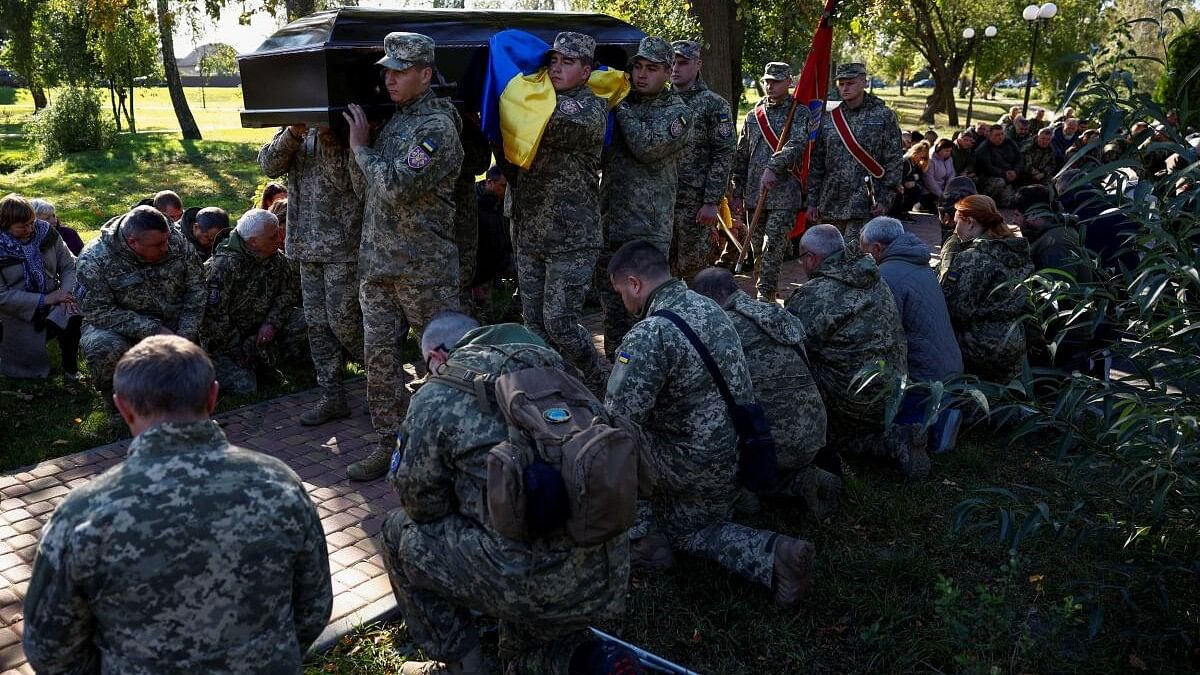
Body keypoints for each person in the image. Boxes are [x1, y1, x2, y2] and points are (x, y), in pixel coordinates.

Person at [23, 335, 332, 673]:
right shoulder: (281, 484)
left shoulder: (83, 514)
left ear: (123, 407)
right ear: (213, 396)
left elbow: (49, 650)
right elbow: (313, 608)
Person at [381, 312, 636, 675]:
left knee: (395, 531)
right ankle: (593, 663)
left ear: (437, 357)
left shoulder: (438, 393)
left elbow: (421, 506)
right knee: (520, 657)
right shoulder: (557, 370)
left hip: (526, 578)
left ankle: (461, 664)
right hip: (605, 569)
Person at [604, 241, 816, 607]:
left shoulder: (648, 334)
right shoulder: (712, 307)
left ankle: (643, 537)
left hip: (694, 468)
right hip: (740, 453)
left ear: (635, 284)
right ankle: (752, 519)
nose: (623, 301)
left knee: (612, 447)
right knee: (693, 515)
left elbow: (618, 421)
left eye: (621, 291)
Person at [343, 32, 464, 480]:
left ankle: (455, 446)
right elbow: (369, 190)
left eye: (400, 71)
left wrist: (360, 148)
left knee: (444, 362)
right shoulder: (397, 122)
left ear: (426, 74)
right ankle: (389, 443)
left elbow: (395, 186)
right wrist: (359, 147)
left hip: (422, 268)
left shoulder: (436, 127)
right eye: (387, 71)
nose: (389, 79)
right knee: (378, 362)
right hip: (379, 266)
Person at [505, 31, 611, 396]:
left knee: (561, 321)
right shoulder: (532, 97)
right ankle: (555, 386)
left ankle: (599, 383)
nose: (557, 69)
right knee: (534, 323)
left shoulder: (590, 107)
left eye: (568, 63)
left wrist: (513, 96)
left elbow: (543, 120)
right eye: (553, 61)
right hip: (530, 231)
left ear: (585, 71)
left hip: (572, 236)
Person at [690, 267, 840, 519]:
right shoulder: (773, 312)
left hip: (771, 445)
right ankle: (802, 478)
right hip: (817, 434)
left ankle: (747, 491)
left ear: (707, 298)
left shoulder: (722, 328)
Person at [785, 225, 928, 478]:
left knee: (789, 369)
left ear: (811, 258)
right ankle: (896, 436)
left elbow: (793, 346)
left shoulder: (815, 294)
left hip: (855, 400)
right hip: (895, 389)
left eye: (802, 259)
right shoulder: (873, 277)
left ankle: (892, 442)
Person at [258, 113, 365, 430]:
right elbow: (269, 165)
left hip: (340, 245)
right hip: (304, 244)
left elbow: (345, 180)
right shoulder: (296, 128)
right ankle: (332, 395)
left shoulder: (344, 127)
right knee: (316, 323)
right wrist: (293, 133)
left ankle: (384, 384)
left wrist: (329, 135)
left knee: (345, 321)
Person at [597, 36, 691, 359]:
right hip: (611, 222)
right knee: (613, 311)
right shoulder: (623, 104)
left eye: (651, 68)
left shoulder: (678, 113)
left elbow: (647, 147)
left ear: (668, 72)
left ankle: (647, 377)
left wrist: (619, 103)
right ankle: (616, 374)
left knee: (644, 315)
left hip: (647, 229)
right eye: (637, 66)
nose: (641, 75)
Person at [76, 206, 205, 423]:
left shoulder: (175, 240)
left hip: (172, 320)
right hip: (117, 325)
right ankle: (119, 404)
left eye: (166, 240)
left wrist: (185, 335)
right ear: (133, 242)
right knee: (104, 347)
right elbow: (99, 311)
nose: (167, 248)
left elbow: (197, 288)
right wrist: (154, 330)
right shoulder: (94, 260)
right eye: (158, 245)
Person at [767, 62, 903, 254]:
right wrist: (813, 201)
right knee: (828, 257)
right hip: (831, 201)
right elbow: (817, 162)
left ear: (864, 82)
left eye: (851, 83)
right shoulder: (830, 117)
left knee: (854, 256)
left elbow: (894, 159)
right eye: (841, 83)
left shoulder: (883, 115)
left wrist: (886, 198)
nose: (845, 88)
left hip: (865, 201)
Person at [860, 217, 963, 452]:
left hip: (924, 379)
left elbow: (881, 334)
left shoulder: (888, 275)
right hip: (948, 369)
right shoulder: (918, 262)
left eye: (865, 252)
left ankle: (934, 427)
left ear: (877, 249)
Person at [201, 209, 307, 394]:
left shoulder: (275, 258)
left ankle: (275, 360)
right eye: (273, 236)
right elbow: (214, 319)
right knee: (246, 386)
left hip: (261, 331)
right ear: (253, 242)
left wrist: (271, 323)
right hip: (229, 343)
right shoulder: (222, 267)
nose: (279, 238)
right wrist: (239, 349)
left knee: (307, 320)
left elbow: (288, 292)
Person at [729, 62, 805, 301]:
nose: (770, 85)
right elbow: (742, 153)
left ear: (788, 82)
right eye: (767, 81)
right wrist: (737, 188)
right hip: (754, 192)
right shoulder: (754, 115)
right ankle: (768, 292)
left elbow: (798, 144)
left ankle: (763, 294)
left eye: (776, 81)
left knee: (772, 246)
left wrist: (774, 167)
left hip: (783, 193)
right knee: (757, 247)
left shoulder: (798, 112)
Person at [938, 194, 1033, 383]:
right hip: (1013, 339)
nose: (955, 230)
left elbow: (955, 310)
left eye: (957, 222)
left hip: (979, 345)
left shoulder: (974, 258)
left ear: (970, 222)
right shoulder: (1015, 251)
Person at [668, 39, 735, 285]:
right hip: (662, 202)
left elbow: (723, 153)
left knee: (694, 269)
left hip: (694, 205)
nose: (675, 68)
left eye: (683, 63)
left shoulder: (713, 105)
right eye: (672, 63)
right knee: (663, 269)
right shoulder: (661, 101)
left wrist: (711, 201)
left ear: (698, 64)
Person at [0, 194, 80, 379]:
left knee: (72, 313)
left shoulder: (46, 232)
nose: (30, 229)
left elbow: (69, 265)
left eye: (31, 223)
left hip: (55, 297)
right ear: (5, 224)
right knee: (24, 369)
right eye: (22, 226)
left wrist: (65, 293)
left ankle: (70, 367)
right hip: (16, 311)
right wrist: (44, 299)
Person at [471, 165, 513, 292]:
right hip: (478, 273)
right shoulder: (473, 203)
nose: (507, 190)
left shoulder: (502, 202)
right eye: (503, 185)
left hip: (499, 266)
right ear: (490, 183)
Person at [974, 124, 1024, 207]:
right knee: (1000, 183)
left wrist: (1015, 171)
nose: (1000, 137)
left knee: (1012, 202)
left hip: (1010, 176)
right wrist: (1004, 174)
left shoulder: (1009, 142)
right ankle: (983, 201)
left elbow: (1020, 158)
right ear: (990, 136)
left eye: (1002, 134)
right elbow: (987, 167)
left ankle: (998, 201)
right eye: (997, 135)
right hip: (990, 178)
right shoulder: (984, 148)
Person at [891, 140, 929, 216]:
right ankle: (899, 211)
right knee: (916, 190)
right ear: (915, 152)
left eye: (924, 158)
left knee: (918, 189)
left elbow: (918, 175)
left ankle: (904, 211)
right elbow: (899, 176)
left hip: (905, 185)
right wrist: (905, 183)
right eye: (921, 157)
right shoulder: (906, 161)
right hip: (897, 186)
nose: (921, 159)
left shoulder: (913, 162)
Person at [923, 139, 957, 209]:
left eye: (950, 151)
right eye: (946, 151)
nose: (949, 153)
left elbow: (952, 174)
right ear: (939, 149)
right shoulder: (931, 161)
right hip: (931, 192)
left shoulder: (949, 159)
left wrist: (948, 189)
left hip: (945, 191)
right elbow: (929, 180)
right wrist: (941, 194)